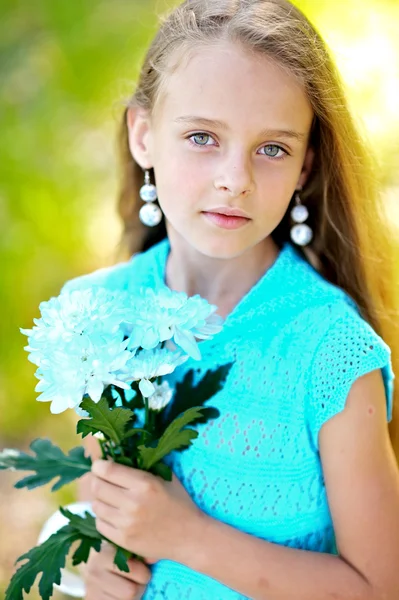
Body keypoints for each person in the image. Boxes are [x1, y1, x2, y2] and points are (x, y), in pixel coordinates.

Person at [61, 0, 399, 598]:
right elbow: (104, 511)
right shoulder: (93, 318)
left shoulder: (330, 354)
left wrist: (186, 537)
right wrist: (102, 570)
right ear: (143, 136)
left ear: (304, 166)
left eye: (272, 148)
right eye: (201, 137)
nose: (234, 178)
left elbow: (380, 586)